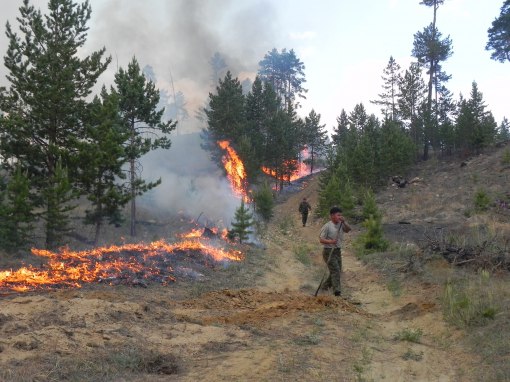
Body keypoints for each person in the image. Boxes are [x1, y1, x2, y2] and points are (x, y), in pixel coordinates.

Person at [319, 206, 351, 296]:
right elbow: (321, 240)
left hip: (337, 251)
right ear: (332, 216)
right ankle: (337, 292)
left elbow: (348, 230)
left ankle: (324, 288)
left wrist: (344, 221)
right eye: (338, 215)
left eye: (341, 215)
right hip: (328, 251)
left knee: (336, 271)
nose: (340, 217)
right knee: (335, 270)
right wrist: (331, 241)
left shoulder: (341, 224)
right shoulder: (327, 226)